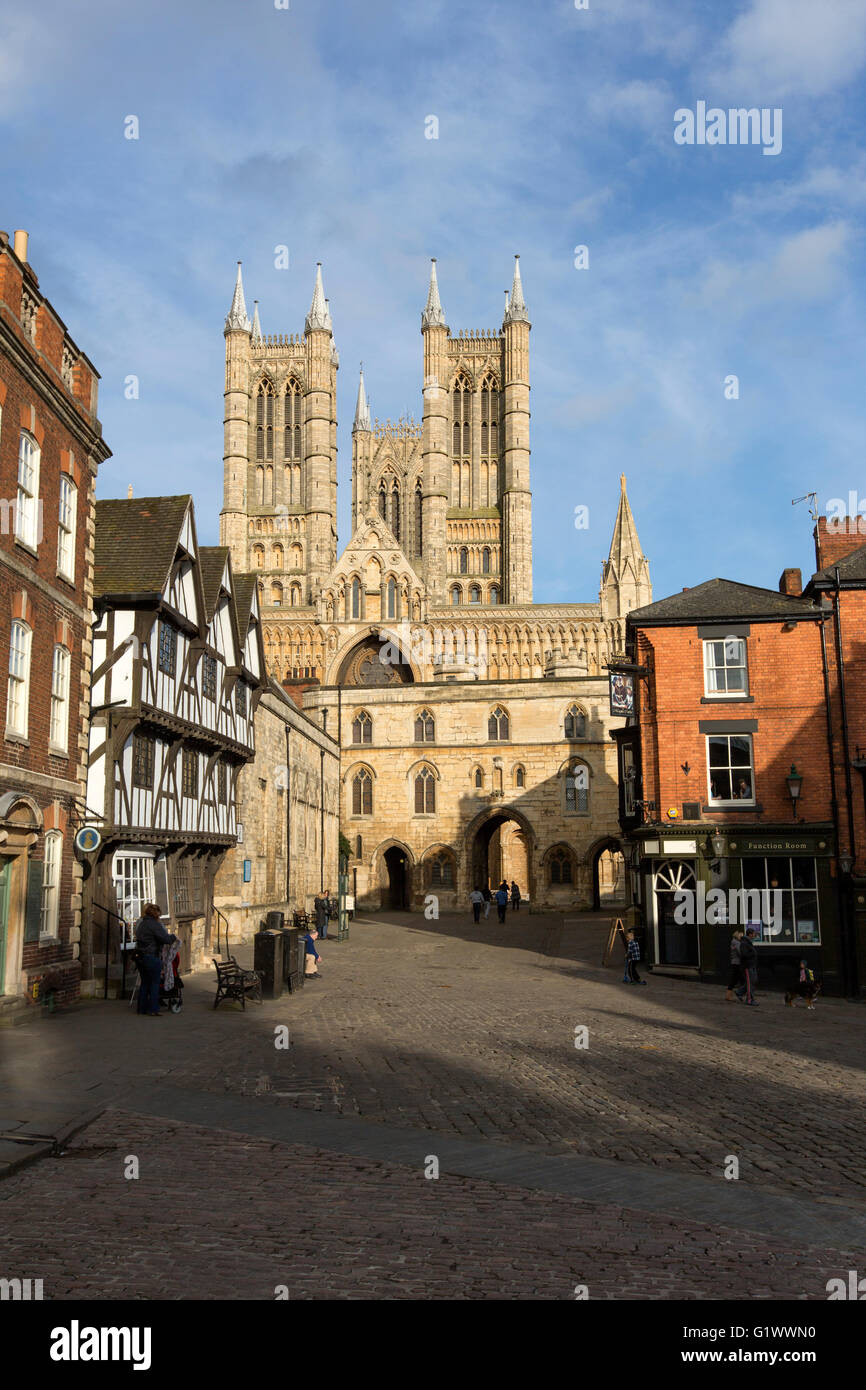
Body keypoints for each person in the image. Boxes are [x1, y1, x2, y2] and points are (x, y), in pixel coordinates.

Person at [134, 903, 176, 1016]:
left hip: (140, 957)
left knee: (144, 983)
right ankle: (153, 1009)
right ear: (156, 914)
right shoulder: (154, 924)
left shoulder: (141, 923)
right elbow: (166, 939)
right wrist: (173, 937)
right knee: (154, 983)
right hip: (151, 956)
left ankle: (141, 1009)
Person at [736, 926, 759, 1004]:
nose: (754, 935)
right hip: (747, 966)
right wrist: (752, 954)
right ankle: (749, 1000)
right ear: (750, 934)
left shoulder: (748, 942)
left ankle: (739, 992)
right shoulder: (744, 943)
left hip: (752, 965)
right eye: (753, 934)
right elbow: (744, 954)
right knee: (750, 983)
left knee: (753, 981)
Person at [725, 929, 744, 1002]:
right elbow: (740, 952)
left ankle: (729, 995)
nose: (742, 937)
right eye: (741, 935)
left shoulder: (734, 942)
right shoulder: (736, 943)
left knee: (734, 979)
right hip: (737, 963)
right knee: (741, 980)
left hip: (735, 963)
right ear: (737, 935)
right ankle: (740, 994)